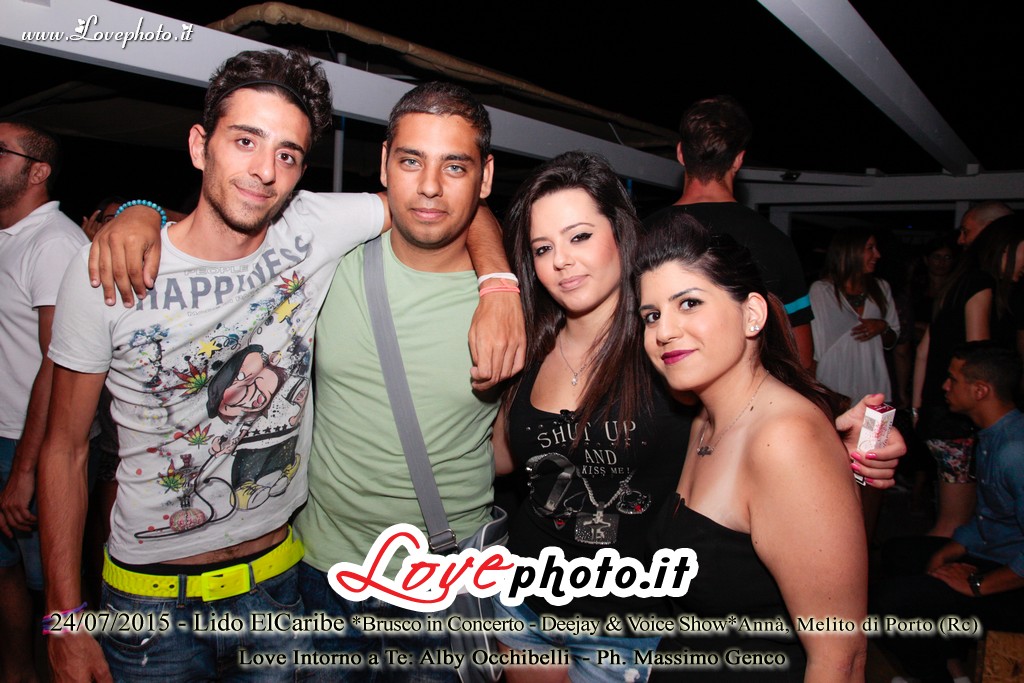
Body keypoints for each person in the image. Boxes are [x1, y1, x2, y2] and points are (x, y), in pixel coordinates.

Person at [38, 50, 482, 682]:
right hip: (149, 605)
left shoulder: (313, 227)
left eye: (287, 154)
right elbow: (63, 451)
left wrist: (498, 283)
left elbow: (442, 204)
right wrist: (62, 619)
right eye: (245, 140)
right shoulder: (107, 274)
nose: (264, 171)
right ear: (201, 145)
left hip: (277, 590)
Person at [291, 82, 515, 682]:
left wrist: (499, 283)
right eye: (412, 161)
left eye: (455, 166)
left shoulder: (518, 303)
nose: (431, 186)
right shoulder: (327, 263)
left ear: (486, 178)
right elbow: (227, 222)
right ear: (385, 162)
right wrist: (140, 213)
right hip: (323, 576)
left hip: (444, 584)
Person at [492, 151, 694, 683]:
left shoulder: (667, 342)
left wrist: (848, 435)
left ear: (620, 234)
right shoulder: (529, 344)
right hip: (524, 602)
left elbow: (755, 408)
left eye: (579, 236)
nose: (561, 261)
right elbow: (501, 459)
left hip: (622, 623)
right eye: (543, 248)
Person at [638, 216, 867, 681]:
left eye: (689, 303)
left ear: (752, 315)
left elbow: (839, 659)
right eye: (651, 315)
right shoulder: (703, 419)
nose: (663, 331)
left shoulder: (785, 440)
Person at [873, 342, 1024, 683]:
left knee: (889, 603)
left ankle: (935, 676)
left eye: (953, 379)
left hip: (1013, 579)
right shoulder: (993, 434)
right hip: (996, 553)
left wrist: (977, 584)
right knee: (899, 554)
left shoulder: (1015, 451)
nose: (944, 386)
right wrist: (953, 548)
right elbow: (991, 517)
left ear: (980, 390)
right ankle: (952, 669)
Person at [0, 119, 89, 683]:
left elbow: (58, 368)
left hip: (30, 442)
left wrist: (26, 468)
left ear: (37, 172)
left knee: (55, 586)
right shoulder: (8, 236)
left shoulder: (54, 243)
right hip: (6, 436)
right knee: (5, 573)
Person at [643, 95, 814, 368]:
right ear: (738, 160)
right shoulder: (774, 240)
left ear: (680, 153)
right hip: (753, 392)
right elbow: (801, 355)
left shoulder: (641, 234)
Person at [913, 224, 1001, 536]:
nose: (962, 240)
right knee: (955, 522)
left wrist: (917, 409)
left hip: (939, 413)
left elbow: (923, 352)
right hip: (957, 419)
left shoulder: (954, 285)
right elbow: (976, 355)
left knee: (953, 515)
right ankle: (933, 567)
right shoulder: (977, 284)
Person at [810, 226, 900, 404]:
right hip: (833, 388)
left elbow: (893, 340)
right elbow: (815, 349)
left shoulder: (882, 288)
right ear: (850, 250)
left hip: (876, 387)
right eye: (870, 248)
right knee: (837, 424)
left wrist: (882, 327)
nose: (877, 255)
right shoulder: (821, 291)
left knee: (879, 424)